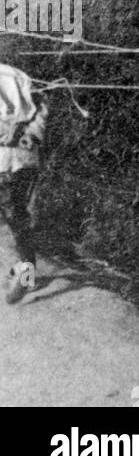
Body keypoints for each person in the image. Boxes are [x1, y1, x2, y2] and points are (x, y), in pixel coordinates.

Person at [0, 64, 48, 304]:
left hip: (13, 157)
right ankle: (24, 266)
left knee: (14, 213)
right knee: (14, 213)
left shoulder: (13, 75)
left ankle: (26, 270)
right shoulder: (15, 73)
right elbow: (40, 106)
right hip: (18, 157)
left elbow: (40, 105)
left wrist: (30, 133)